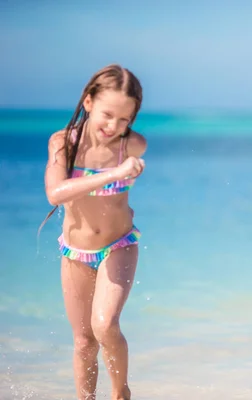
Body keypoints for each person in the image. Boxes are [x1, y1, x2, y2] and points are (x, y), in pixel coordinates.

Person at [39, 64, 147, 400]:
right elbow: (56, 193)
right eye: (107, 114)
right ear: (88, 102)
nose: (114, 126)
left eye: (124, 119)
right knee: (84, 342)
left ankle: (120, 393)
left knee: (104, 325)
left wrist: (122, 166)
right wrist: (114, 173)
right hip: (75, 251)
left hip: (119, 245)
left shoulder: (133, 146)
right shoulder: (63, 143)